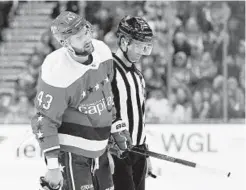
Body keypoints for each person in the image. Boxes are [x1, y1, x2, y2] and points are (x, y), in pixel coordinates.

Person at [31, 11, 131, 190]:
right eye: (79, 37)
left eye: (87, 32)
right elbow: (44, 120)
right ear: (65, 43)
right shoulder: (57, 70)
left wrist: (115, 125)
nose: (87, 39)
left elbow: (107, 94)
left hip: (100, 151)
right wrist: (53, 167)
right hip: (72, 154)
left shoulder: (102, 51)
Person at [109, 16, 154, 190]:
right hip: (118, 152)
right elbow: (102, 111)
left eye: (146, 46)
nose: (142, 51)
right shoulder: (109, 70)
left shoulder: (138, 76)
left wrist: (146, 155)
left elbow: (140, 118)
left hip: (139, 152)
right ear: (123, 41)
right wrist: (106, 151)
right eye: (138, 45)